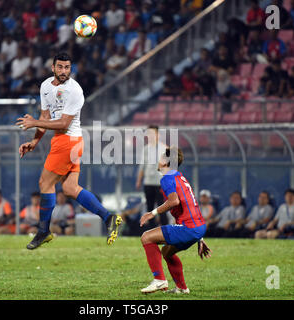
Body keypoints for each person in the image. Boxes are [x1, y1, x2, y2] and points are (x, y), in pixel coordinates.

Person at [16, 52, 122, 250]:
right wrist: (35, 141)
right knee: (70, 188)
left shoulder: (74, 90)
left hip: (68, 140)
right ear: (53, 67)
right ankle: (109, 218)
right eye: (60, 67)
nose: (64, 71)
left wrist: (33, 123)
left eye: (67, 67)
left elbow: (64, 123)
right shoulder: (46, 86)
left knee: (44, 183)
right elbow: (45, 116)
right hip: (66, 141)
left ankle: (44, 230)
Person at [139, 147, 211, 294]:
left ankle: (159, 280)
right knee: (166, 252)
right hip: (198, 227)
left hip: (189, 228)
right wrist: (200, 237)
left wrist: (151, 213)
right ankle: (182, 288)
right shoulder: (180, 178)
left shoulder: (167, 178)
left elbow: (174, 201)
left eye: (160, 158)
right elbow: (191, 205)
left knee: (146, 237)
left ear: (165, 162)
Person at [136, 125, 168, 227]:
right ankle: (152, 233)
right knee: (149, 209)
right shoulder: (146, 149)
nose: (150, 136)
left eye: (152, 133)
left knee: (162, 208)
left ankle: (166, 232)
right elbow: (142, 166)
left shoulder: (165, 148)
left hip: (160, 183)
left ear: (157, 134)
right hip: (148, 183)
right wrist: (139, 180)